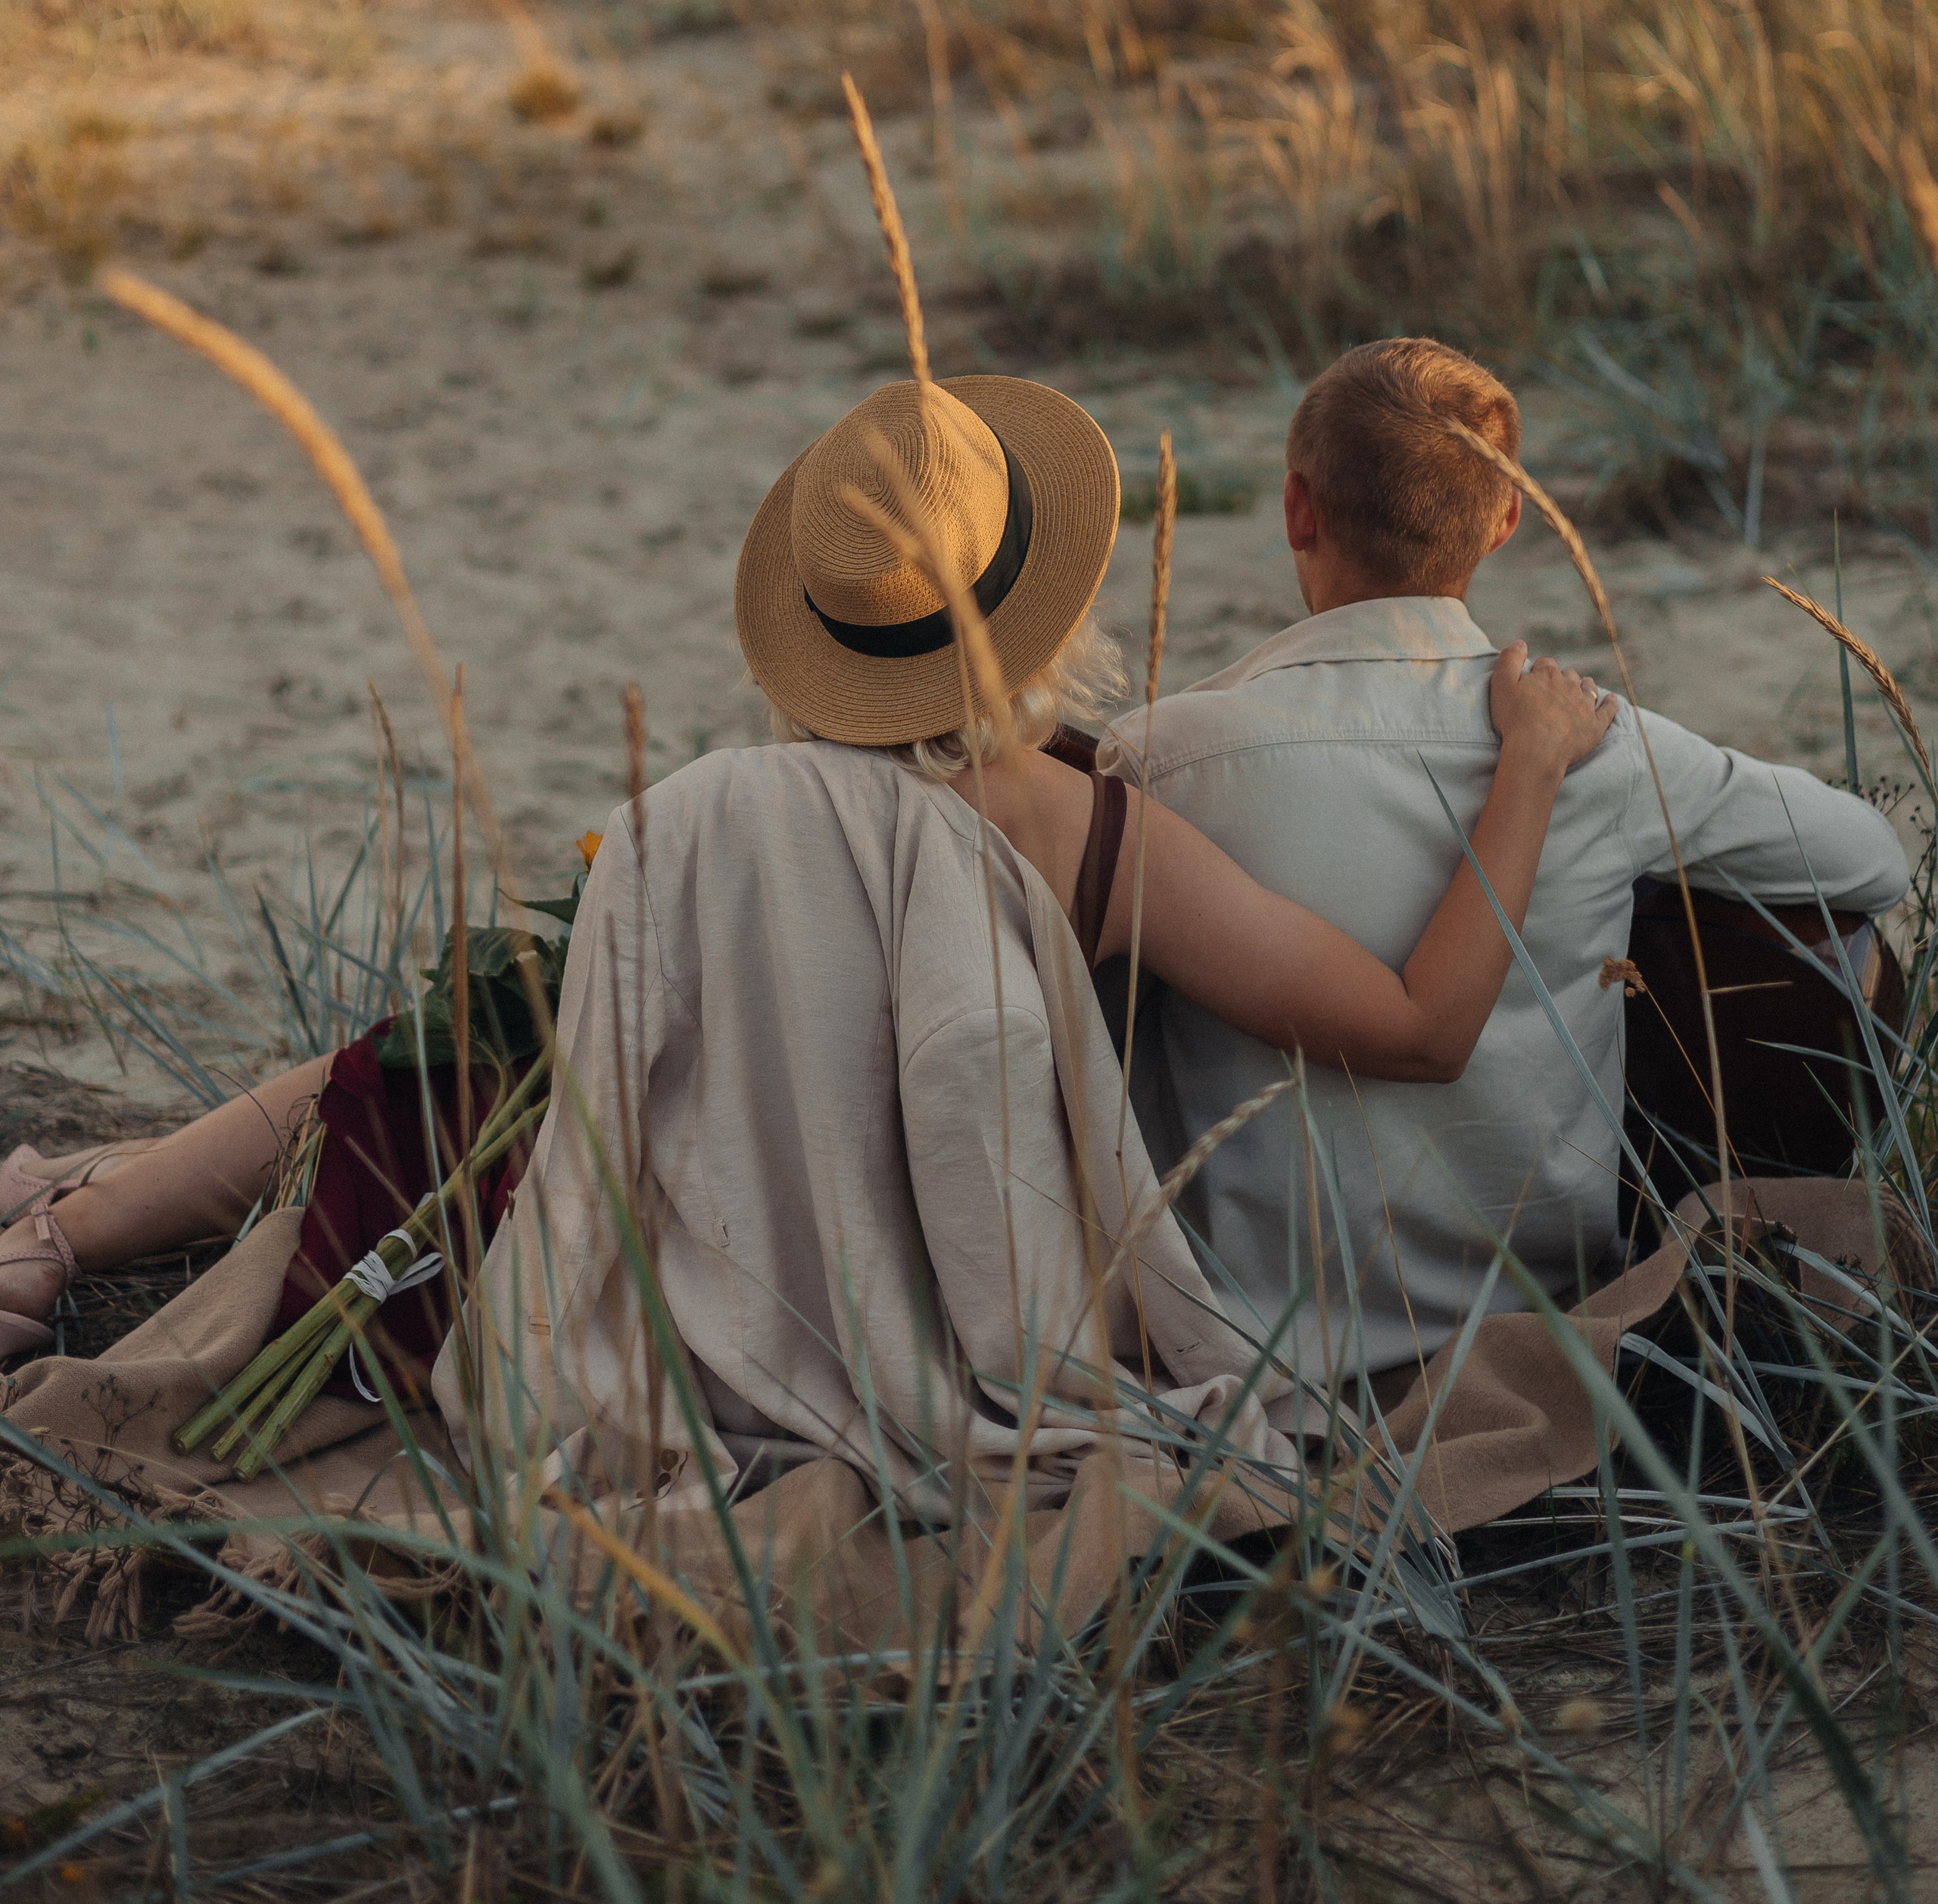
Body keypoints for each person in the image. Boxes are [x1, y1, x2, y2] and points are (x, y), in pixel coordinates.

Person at [0, 375, 1612, 1408]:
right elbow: (1414, 1027)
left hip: (568, 1224)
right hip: (855, 1293)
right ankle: (65, 1211)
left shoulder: (721, 811)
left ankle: (65, 1219)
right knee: (468, 1040)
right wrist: (1526, 765)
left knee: (458, 1042)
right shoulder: (1075, 825)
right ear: (1037, 589)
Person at [1096, 337, 1911, 1395]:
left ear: (1298, 509)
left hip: (1259, 1358)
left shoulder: (1160, 756)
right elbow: (1870, 861)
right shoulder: (1599, 743)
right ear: (1506, 518)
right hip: (1542, 1331)